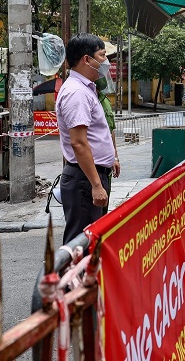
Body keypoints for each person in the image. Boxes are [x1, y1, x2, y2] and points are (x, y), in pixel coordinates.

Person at [55, 33, 119, 244]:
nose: (105, 62)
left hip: (92, 177)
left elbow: (97, 133)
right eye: (101, 55)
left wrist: (111, 159)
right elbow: (79, 142)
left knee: (91, 243)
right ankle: (71, 278)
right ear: (86, 59)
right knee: (80, 245)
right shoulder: (77, 93)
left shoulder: (86, 89)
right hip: (85, 180)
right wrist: (96, 185)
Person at [95, 76, 120, 215]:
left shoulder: (105, 101)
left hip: (106, 169)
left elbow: (111, 132)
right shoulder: (86, 99)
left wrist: (115, 157)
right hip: (92, 169)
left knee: (103, 211)